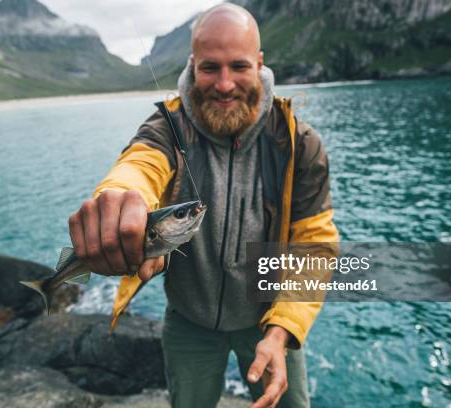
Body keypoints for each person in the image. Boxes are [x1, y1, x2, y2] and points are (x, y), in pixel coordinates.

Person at [68, 3, 339, 407]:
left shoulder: (299, 143)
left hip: (268, 322)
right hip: (188, 324)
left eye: (239, 66)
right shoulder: (165, 126)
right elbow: (139, 166)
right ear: (193, 64)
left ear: (260, 64)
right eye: (210, 68)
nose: (225, 84)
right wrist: (122, 199)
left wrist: (282, 331)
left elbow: (314, 245)